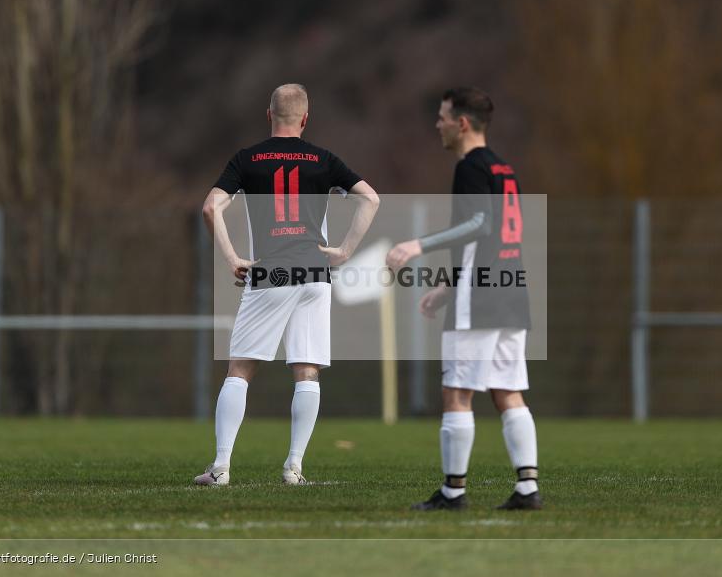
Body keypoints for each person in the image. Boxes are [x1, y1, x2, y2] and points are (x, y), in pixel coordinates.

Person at [196, 83, 379, 486]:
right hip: (315, 273)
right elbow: (370, 198)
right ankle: (294, 467)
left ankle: (221, 467)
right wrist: (344, 251)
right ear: (305, 119)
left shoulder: (247, 159)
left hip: (270, 272)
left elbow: (210, 208)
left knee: (241, 368)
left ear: (269, 115)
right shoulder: (323, 159)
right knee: (307, 370)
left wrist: (232, 258)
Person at [386, 87, 540, 511]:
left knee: (456, 392)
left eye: (442, 117)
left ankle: (453, 492)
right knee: (508, 390)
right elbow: (498, 237)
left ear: (463, 123)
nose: (438, 124)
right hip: (510, 290)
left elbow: (479, 224)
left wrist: (418, 245)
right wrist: (449, 288)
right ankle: (527, 488)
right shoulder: (504, 168)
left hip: (481, 297)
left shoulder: (470, 167)